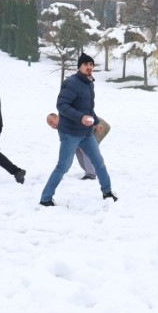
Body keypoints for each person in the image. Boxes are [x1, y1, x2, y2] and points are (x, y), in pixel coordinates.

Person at [40, 53, 117, 205]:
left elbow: (88, 108)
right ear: (79, 67)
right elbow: (61, 106)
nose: (89, 67)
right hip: (69, 132)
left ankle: (107, 192)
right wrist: (80, 118)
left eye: (91, 64)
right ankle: (45, 198)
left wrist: (95, 121)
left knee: (99, 162)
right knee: (63, 166)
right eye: (85, 64)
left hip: (86, 133)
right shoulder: (71, 83)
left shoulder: (89, 83)